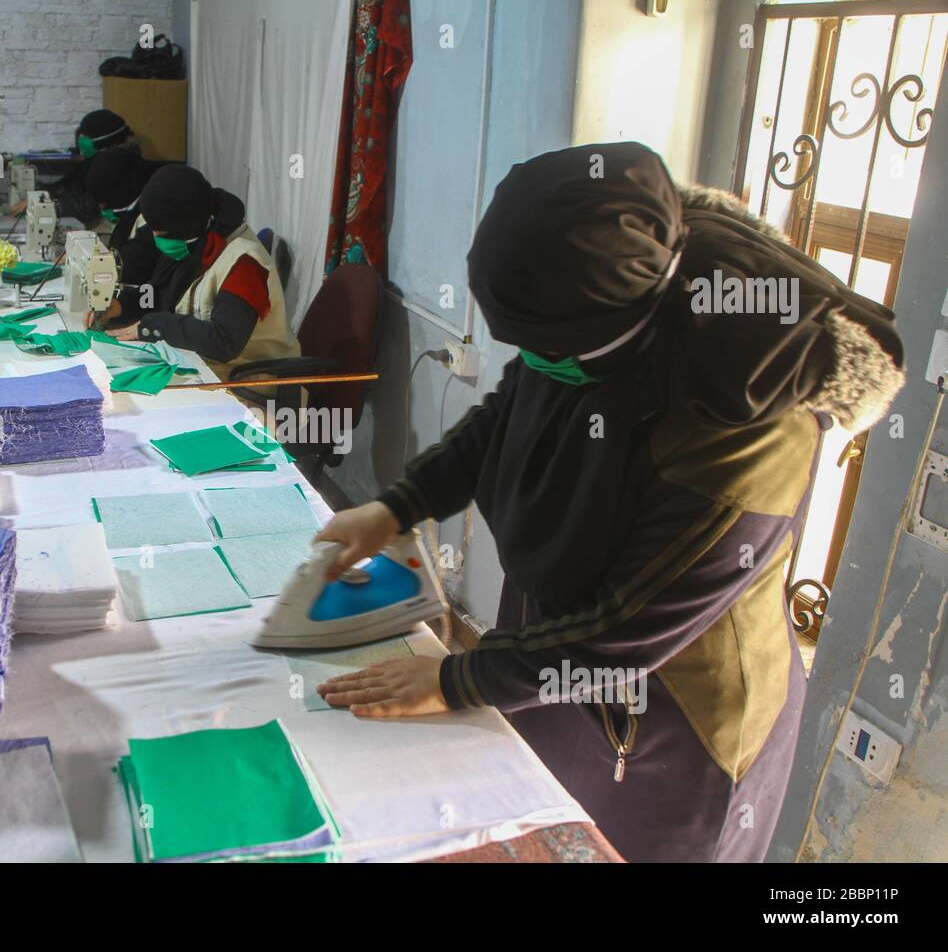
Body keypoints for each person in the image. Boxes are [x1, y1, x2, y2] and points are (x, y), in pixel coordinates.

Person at [314, 142, 905, 862]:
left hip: (675, 723)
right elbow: (512, 411)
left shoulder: (750, 426)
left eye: (542, 349)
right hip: (556, 657)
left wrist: (457, 676)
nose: (529, 364)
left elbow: (626, 630)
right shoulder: (600, 311)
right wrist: (398, 506)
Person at [97, 165, 299, 379]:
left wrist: (160, 326)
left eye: (161, 232)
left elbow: (223, 342)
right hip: (202, 367)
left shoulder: (244, 262)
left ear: (185, 225)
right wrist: (121, 305)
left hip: (249, 380)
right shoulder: (193, 242)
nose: (156, 237)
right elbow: (157, 295)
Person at [5, 109, 137, 222]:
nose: (81, 139)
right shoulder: (95, 159)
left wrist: (42, 205)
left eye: (86, 136)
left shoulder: (119, 165)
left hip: (112, 223)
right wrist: (41, 193)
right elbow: (72, 185)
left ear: (105, 140)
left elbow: (88, 207)